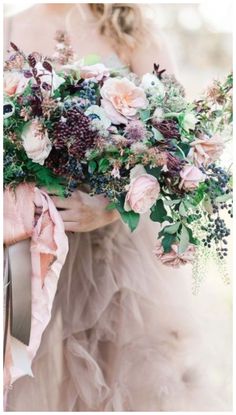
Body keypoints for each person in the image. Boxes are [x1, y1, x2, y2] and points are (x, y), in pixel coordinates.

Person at [3, 3, 231, 411]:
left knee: (120, 389)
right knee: (31, 382)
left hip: (118, 261)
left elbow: (180, 146)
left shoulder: (134, 31)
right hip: (30, 252)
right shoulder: (9, 28)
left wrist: (109, 207)